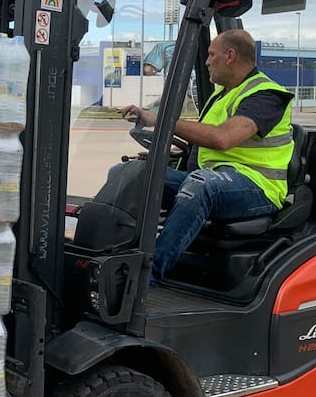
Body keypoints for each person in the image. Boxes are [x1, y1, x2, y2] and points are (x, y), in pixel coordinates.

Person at [119, 29, 294, 283]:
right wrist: (164, 158)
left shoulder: (266, 94)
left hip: (258, 187)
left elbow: (222, 139)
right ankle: (116, 258)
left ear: (230, 55)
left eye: (211, 54)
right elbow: (203, 146)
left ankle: (145, 279)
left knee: (200, 186)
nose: (207, 61)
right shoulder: (220, 95)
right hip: (217, 180)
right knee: (130, 175)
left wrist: (164, 120)